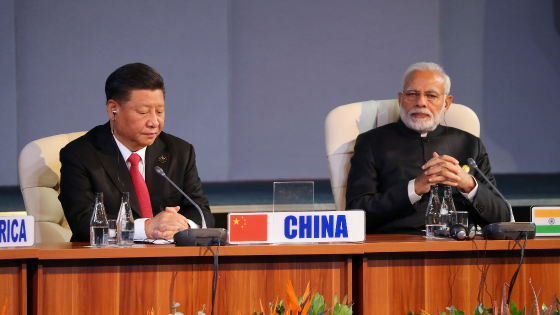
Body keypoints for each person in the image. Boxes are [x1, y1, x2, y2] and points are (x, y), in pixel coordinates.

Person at [345, 62, 511, 234]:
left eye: (431, 95)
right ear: (401, 99)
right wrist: (414, 188)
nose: (420, 102)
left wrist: (468, 184)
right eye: (412, 94)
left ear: (446, 103)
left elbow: (503, 219)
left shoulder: (470, 144)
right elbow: (355, 215)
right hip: (395, 250)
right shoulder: (372, 143)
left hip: (460, 250)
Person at [59, 63, 215, 242]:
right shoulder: (80, 155)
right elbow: (83, 223)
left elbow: (202, 214)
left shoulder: (179, 151)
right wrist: (147, 227)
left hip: (170, 263)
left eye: (159, 111)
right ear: (113, 110)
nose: (154, 122)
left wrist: (182, 226)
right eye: (143, 112)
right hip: (110, 264)